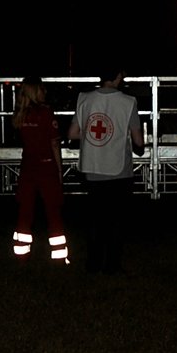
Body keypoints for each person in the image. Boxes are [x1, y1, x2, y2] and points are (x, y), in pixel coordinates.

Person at [68, 64, 144, 273]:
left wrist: (92, 138)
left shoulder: (84, 98)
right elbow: (138, 140)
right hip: (120, 170)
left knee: (95, 220)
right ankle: (112, 265)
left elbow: (73, 133)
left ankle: (93, 264)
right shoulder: (129, 102)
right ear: (119, 75)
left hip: (92, 169)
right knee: (116, 220)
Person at [12, 77, 68, 265]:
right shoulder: (45, 113)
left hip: (28, 167)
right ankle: (59, 255)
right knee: (53, 210)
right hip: (46, 166)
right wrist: (59, 170)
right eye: (42, 88)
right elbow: (54, 143)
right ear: (36, 91)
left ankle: (21, 254)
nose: (45, 92)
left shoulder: (19, 114)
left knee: (25, 211)